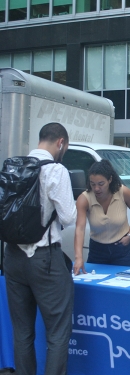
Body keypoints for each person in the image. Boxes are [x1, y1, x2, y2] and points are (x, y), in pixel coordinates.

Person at [4, 122, 77, 375]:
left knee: (22, 332)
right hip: (44, 260)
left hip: (12, 257)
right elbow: (68, 217)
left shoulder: (13, 166)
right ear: (60, 143)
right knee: (57, 331)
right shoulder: (56, 171)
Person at [73, 159, 130, 274]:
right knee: (95, 282)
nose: (96, 189)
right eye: (92, 184)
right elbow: (79, 229)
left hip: (122, 247)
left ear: (110, 180)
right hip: (98, 249)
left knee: (124, 283)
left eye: (101, 184)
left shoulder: (123, 192)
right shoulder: (84, 198)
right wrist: (78, 257)